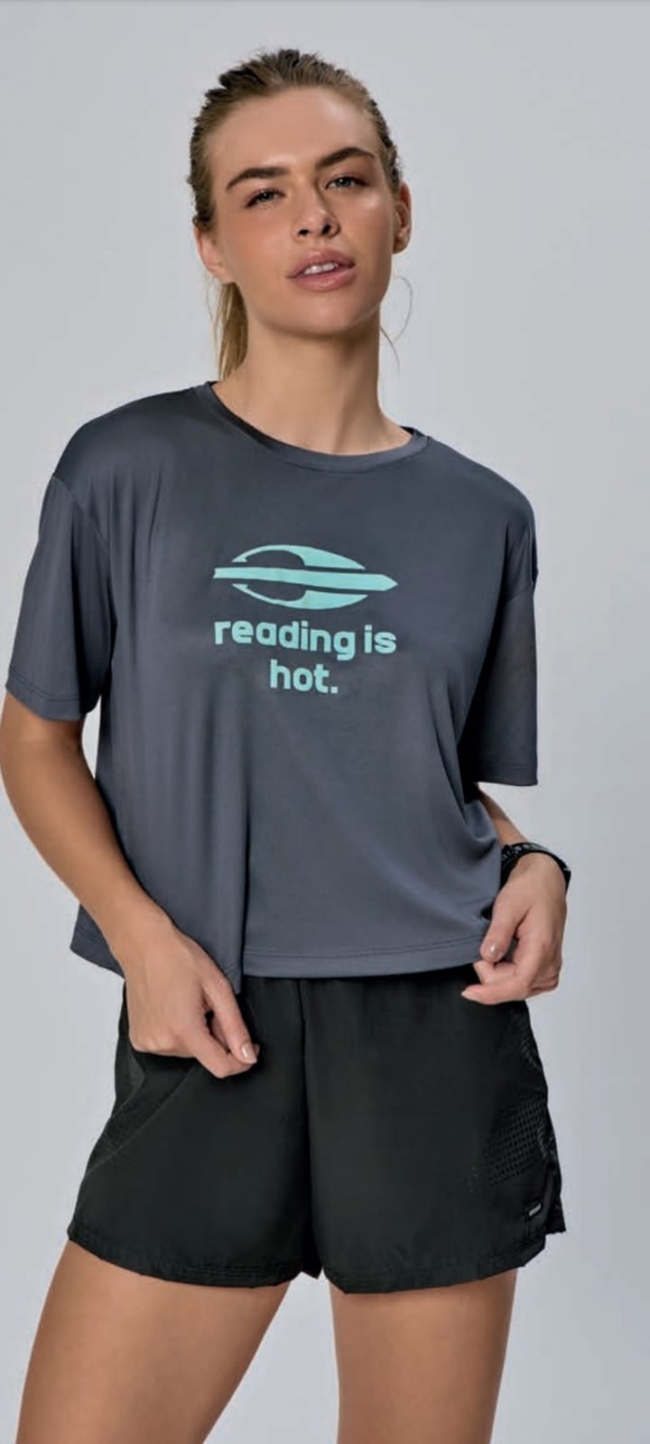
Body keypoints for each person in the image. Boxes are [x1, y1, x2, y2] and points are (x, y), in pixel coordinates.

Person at [1, 45, 571, 1444]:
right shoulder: (125, 469)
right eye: (264, 193)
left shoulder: (482, 517)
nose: (313, 216)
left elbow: (425, 775)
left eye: (345, 180)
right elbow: (35, 737)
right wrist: (140, 937)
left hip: (435, 1032)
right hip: (211, 1021)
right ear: (215, 245)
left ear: (399, 212)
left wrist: (538, 864)